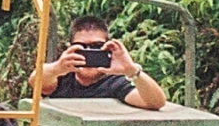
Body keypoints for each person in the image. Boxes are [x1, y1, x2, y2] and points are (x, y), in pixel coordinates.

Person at [36, 12, 169, 109]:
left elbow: (156, 102)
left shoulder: (114, 83)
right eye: (81, 47)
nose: (89, 52)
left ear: (107, 47)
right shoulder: (62, 76)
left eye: (97, 46)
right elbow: (35, 81)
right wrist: (57, 68)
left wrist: (132, 70)